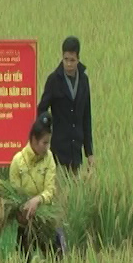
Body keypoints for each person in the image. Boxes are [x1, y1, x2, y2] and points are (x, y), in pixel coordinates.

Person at [9, 112, 66, 263]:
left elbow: (50, 189)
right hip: (25, 222)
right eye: (44, 143)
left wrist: (37, 200)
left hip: (45, 220)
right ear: (34, 140)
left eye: (49, 143)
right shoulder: (17, 161)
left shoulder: (49, 159)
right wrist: (22, 211)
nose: (47, 147)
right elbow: (14, 194)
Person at [37, 36, 94, 174]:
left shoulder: (84, 81)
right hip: (57, 149)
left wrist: (89, 153)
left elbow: (86, 117)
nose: (68, 64)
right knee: (57, 188)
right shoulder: (54, 80)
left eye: (72, 60)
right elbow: (41, 110)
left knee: (74, 189)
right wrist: (46, 134)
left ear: (78, 59)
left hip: (76, 149)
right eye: (66, 59)